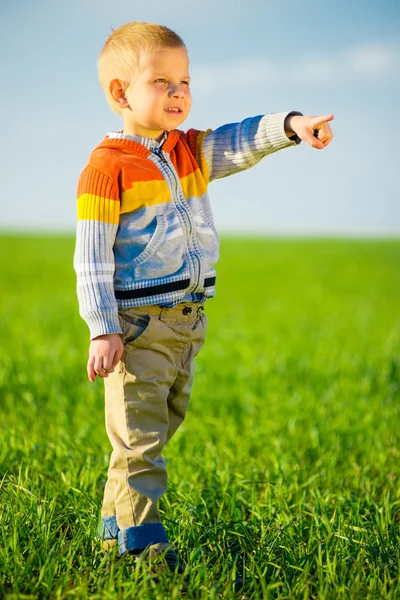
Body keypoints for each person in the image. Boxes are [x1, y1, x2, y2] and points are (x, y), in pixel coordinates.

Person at [73, 21, 334, 570]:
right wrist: (103, 327)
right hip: (139, 324)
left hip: (188, 323)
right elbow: (92, 256)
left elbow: (240, 140)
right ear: (120, 93)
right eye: (162, 81)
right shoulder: (106, 169)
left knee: (151, 435)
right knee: (140, 444)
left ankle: (109, 534)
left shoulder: (190, 151)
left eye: (185, 81)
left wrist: (291, 125)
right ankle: (144, 550)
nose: (178, 92)